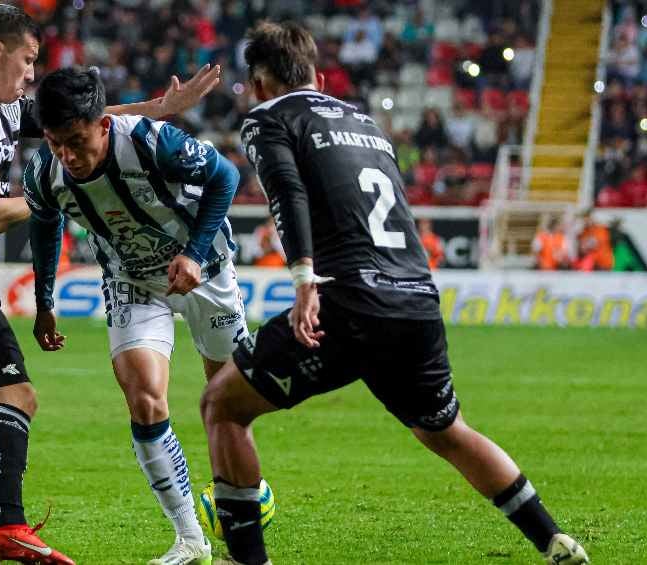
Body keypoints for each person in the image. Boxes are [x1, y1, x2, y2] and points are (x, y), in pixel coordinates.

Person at [199, 22, 589, 565]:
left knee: (222, 404)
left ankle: (246, 560)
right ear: (318, 77)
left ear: (260, 85)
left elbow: (287, 192)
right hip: (415, 299)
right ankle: (554, 539)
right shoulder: (367, 124)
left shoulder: (270, 117)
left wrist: (305, 278)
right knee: (447, 431)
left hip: (348, 300)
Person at [0, 4, 220, 563]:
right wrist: (63, 191)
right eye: (29, 59)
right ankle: (7, 526)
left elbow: (79, 119)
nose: (32, 73)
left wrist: (156, 109)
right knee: (14, 396)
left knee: (0, 402)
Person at [23, 67, 245, 565]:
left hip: (205, 271)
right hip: (131, 280)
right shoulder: (43, 173)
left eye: (76, 141)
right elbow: (44, 223)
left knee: (227, 403)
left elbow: (225, 177)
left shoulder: (151, 142)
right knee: (144, 398)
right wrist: (44, 301)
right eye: (56, 144)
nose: (67, 156)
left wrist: (193, 252)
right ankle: (190, 538)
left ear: (102, 124)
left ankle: (242, 516)